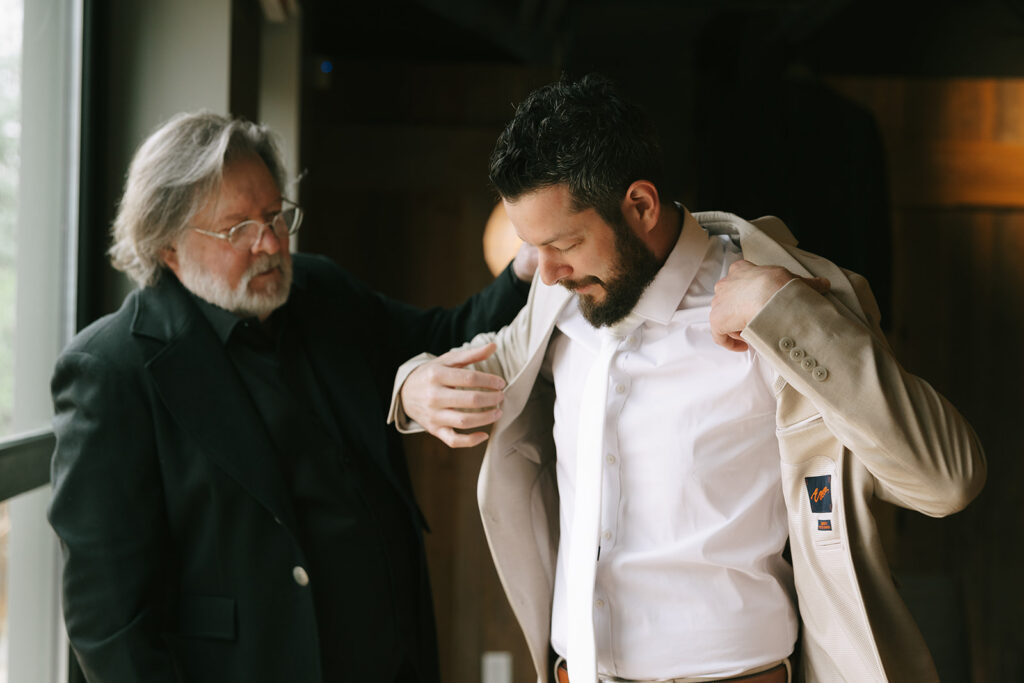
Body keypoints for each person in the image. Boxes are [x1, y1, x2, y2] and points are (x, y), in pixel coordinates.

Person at [390, 74, 986, 683]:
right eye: (533, 247)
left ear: (641, 206)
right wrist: (413, 385)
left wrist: (789, 316)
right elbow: (473, 362)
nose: (545, 274)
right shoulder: (561, 300)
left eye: (564, 243)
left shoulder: (790, 302)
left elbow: (948, 480)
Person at [47, 111, 536, 683]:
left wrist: (525, 270)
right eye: (238, 229)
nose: (271, 243)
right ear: (167, 245)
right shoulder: (109, 370)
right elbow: (109, 624)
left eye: (276, 216)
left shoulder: (318, 288)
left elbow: (440, 338)